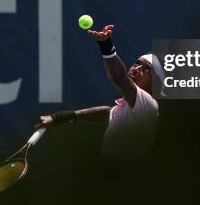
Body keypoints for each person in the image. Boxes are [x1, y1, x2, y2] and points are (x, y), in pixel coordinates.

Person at [35, 24, 164, 160]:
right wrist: (60, 118)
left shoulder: (149, 105)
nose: (137, 69)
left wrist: (106, 46)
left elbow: (119, 77)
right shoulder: (131, 108)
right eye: (137, 63)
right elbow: (108, 113)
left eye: (146, 70)